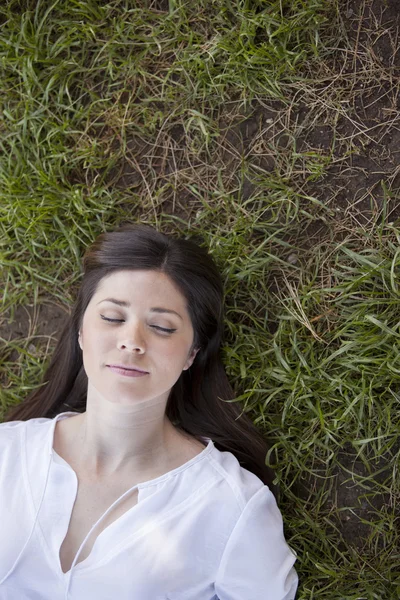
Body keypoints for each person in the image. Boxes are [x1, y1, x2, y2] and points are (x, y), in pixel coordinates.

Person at [0, 223, 298, 600]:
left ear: (192, 353)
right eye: (112, 318)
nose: (132, 341)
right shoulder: (7, 455)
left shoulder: (230, 506)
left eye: (161, 327)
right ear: (80, 332)